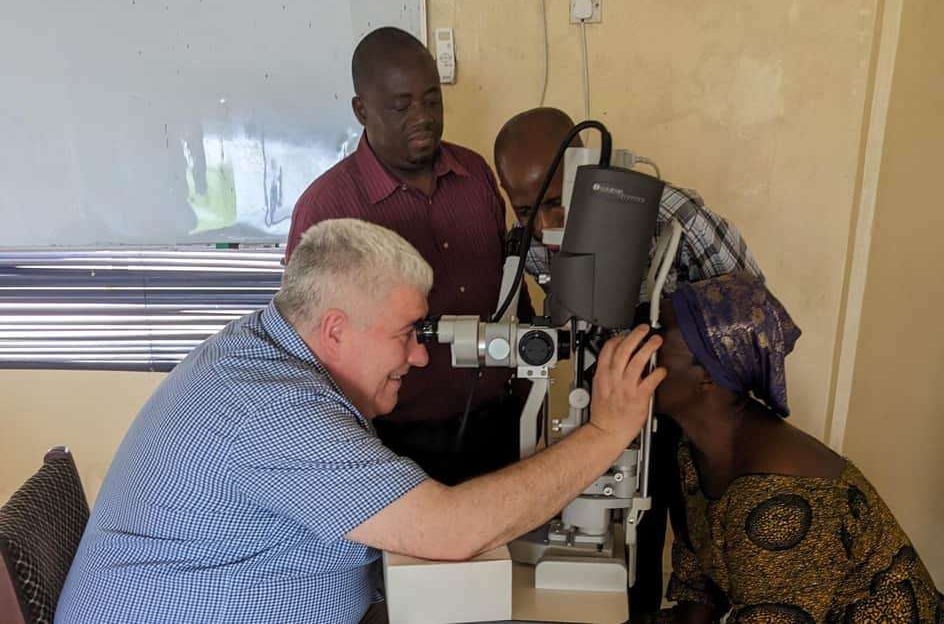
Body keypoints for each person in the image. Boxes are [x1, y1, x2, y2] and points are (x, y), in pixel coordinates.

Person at [56, 219, 665, 624]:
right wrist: (607, 432)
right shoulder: (267, 408)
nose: (421, 355)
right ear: (336, 330)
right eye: (406, 335)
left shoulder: (264, 347)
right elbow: (448, 531)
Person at [493, 106, 765, 613]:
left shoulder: (674, 216)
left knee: (686, 537)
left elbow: (750, 318)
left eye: (557, 203)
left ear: (590, 167)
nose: (548, 225)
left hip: (688, 400)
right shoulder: (528, 238)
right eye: (529, 209)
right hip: (603, 391)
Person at [285, 27, 530, 486]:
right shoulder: (328, 208)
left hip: (497, 423)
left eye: (432, 100)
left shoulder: (475, 174)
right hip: (388, 441)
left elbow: (510, 286)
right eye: (401, 106)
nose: (423, 117)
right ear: (362, 110)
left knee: (498, 556)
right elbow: (309, 345)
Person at [642, 271, 942, 622]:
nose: (641, 348)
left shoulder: (780, 496)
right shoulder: (695, 450)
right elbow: (698, 590)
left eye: (659, 335)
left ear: (708, 373)